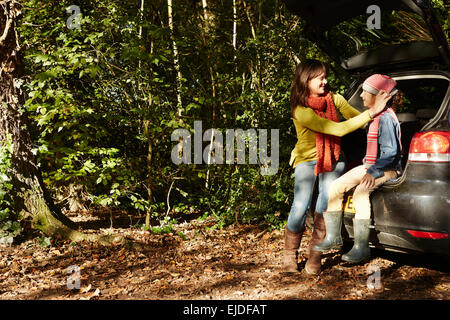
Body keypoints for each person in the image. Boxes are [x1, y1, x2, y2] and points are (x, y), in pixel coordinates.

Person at [283, 60, 391, 274]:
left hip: (333, 158)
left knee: (324, 204)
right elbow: (336, 129)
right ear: (306, 80)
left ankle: (315, 257)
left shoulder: (335, 99)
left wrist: (381, 114)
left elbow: (356, 119)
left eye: (325, 76)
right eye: (320, 78)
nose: (325, 81)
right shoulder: (300, 109)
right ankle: (289, 256)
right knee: (300, 206)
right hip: (306, 159)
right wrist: (370, 113)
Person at [313, 74, 403, 264]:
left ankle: (362, 248)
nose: (361, 95)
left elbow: (391, 153)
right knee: (335, 186)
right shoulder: (375, 116)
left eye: (365, 91)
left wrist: (373, 171)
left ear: (378, 95)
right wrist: (367, 167)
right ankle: (333, 237)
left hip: (387, 168)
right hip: (371, 166)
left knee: (361, 192)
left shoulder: (386, 118)